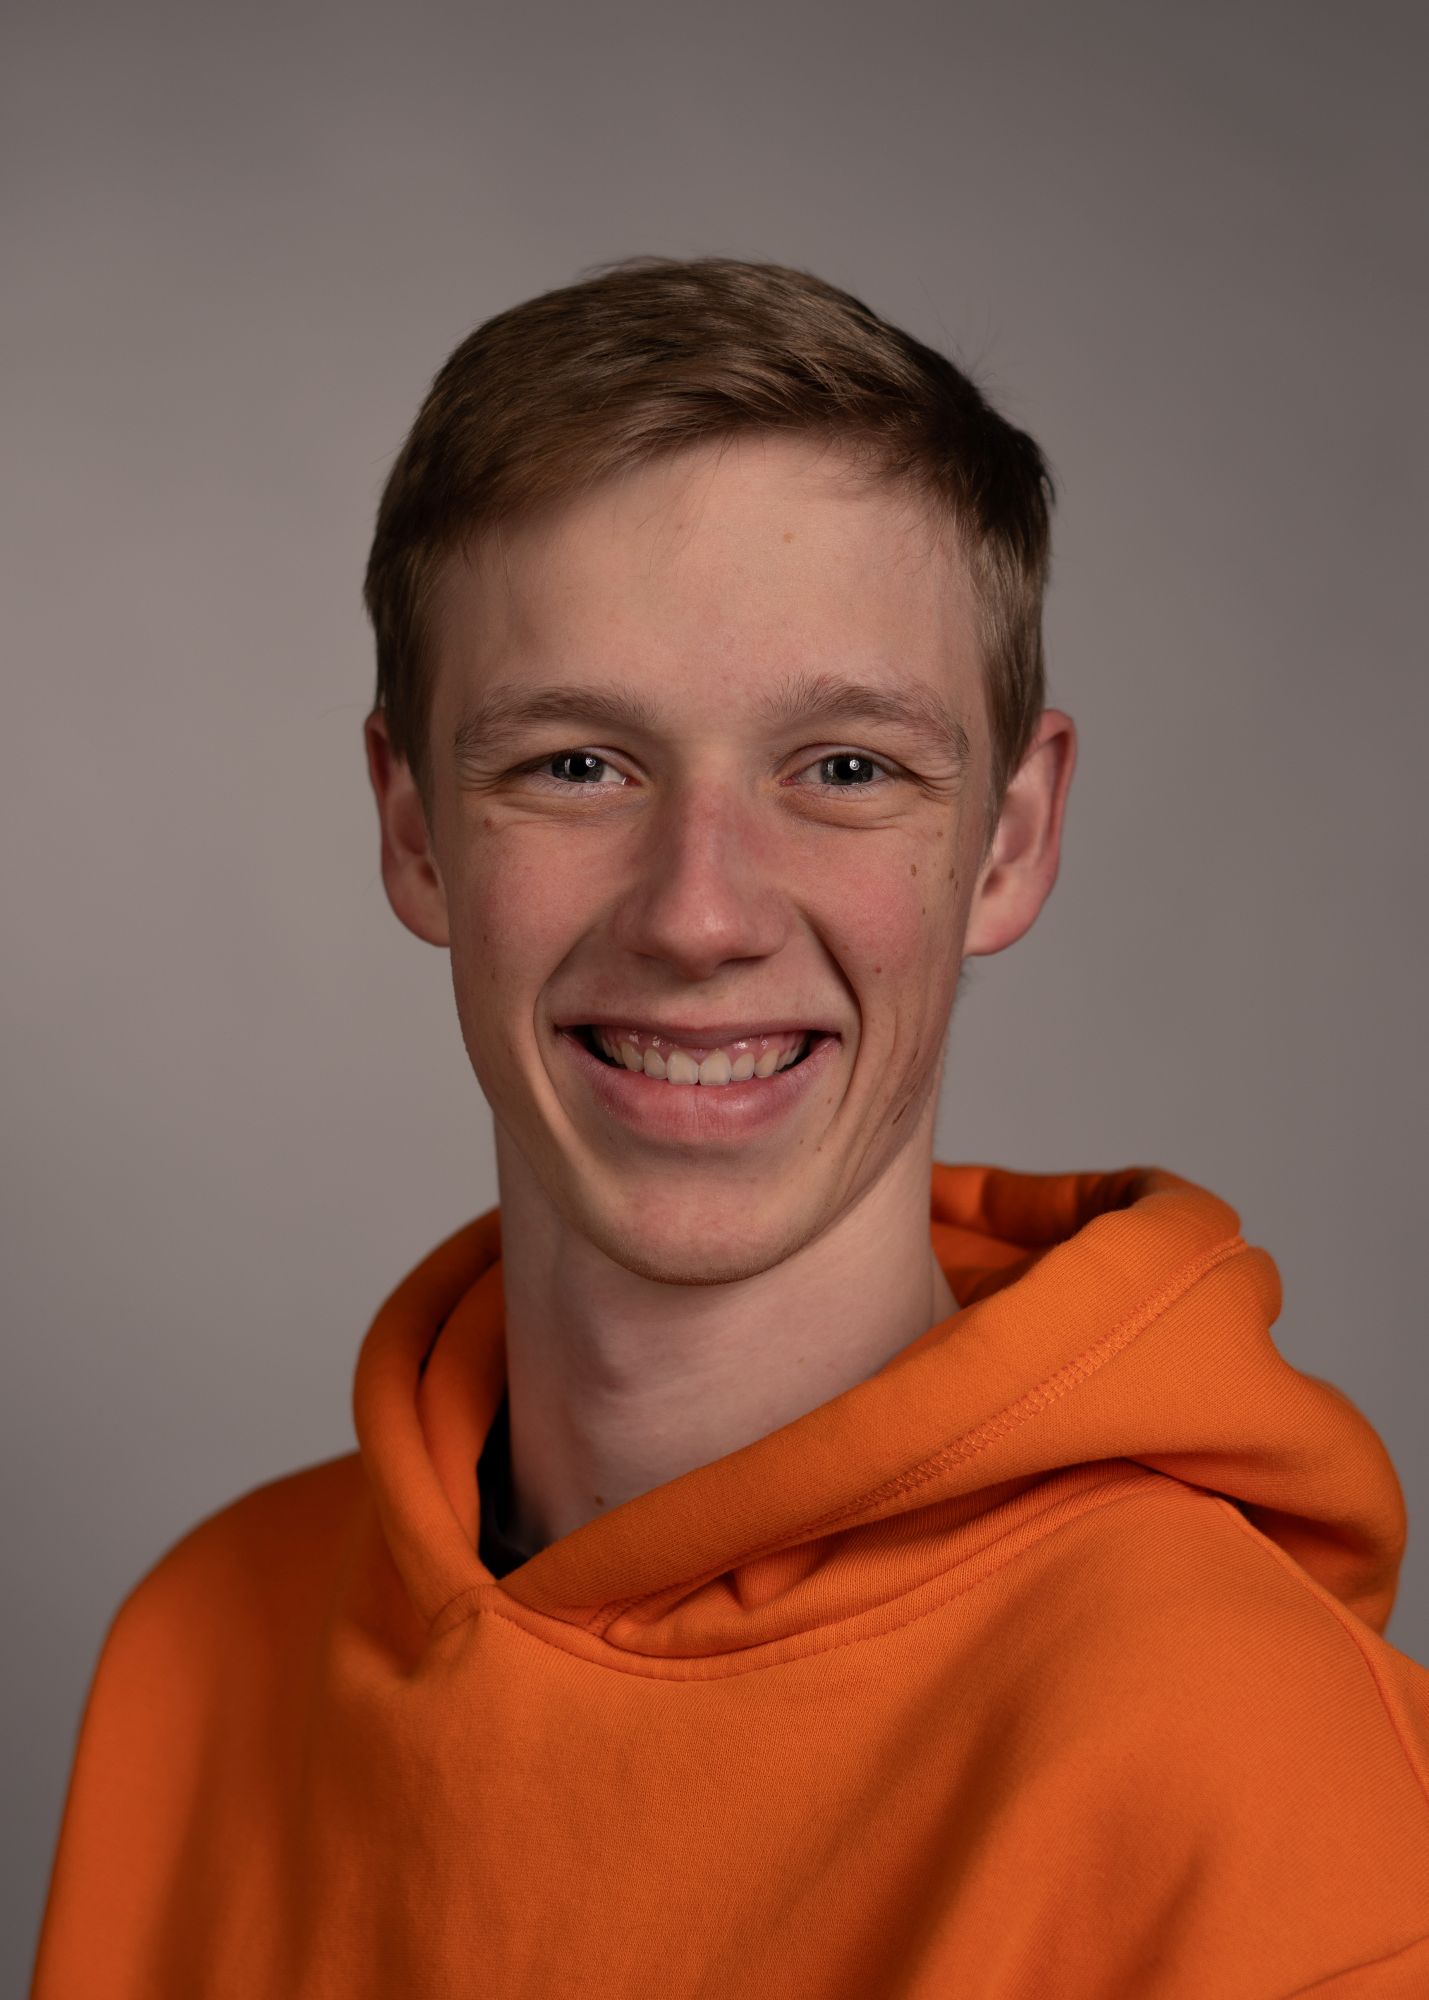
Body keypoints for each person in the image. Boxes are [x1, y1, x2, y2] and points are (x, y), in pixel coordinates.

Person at [31, 256, 1429, 1999]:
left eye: (843, 768)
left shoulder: (1268, 1789)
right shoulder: (197, 1656)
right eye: (575, 765)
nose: (699, 915)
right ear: (412, 831)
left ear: (1006, 840)